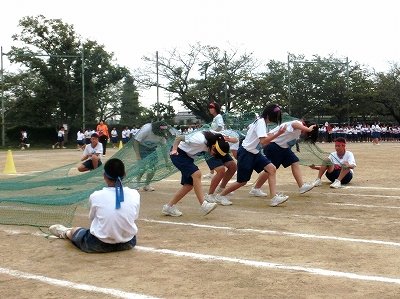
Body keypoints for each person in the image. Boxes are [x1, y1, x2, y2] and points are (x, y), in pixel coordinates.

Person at [48, 158, 140, 253]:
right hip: (128, 242)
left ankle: (66, 232)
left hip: (98, 244)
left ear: (104, 176)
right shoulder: (134, 193)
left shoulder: (96, 195)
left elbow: (92, 218)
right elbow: (134, 217)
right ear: (124, 174)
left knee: (76, 230)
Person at [216, 104, 289, 207]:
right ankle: (221, 195)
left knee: (271, 169)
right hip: (246, 153)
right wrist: (278, 133)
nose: (276, 119)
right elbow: (263, 141)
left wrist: (274, 134)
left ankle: (274, 198)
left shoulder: (261, 122)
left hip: (254, 152)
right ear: (269, 115)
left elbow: (263, 137)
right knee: (242, 181)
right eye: (275, 116)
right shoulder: (261, 122)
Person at [162, 130, 231, 216]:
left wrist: (232, 139)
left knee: (188, 185)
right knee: (197, 174)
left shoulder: (216, 140)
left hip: (187, 157)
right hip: (178, 154)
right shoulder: (200, 140)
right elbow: (178, 138)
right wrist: (174, 150)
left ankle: (168, 207)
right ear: (213, 147)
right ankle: (203, 204)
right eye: (215, 154)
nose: (213, 156)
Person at [263, 119, 317, 194]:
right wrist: (308, 129)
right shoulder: (297, 123)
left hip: (283, 147)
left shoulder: (298, 131)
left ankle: (302, 186)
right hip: (273, 145)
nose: (306, 134)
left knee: (294, 161)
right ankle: (256, 188)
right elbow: (294, 125)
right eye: (307, 133)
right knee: (270, 169)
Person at [133, 121, 174, 191]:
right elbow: (135, 141)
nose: (163, 132)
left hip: (152, 148)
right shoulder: (147, 129)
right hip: (141, 146)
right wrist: (138, 155)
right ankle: (137, 181)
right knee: (143, 166)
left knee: (153, 167)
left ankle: (147, 184)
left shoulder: (162, 134)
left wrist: (167, 161)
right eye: (161, 130)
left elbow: (163, 148)